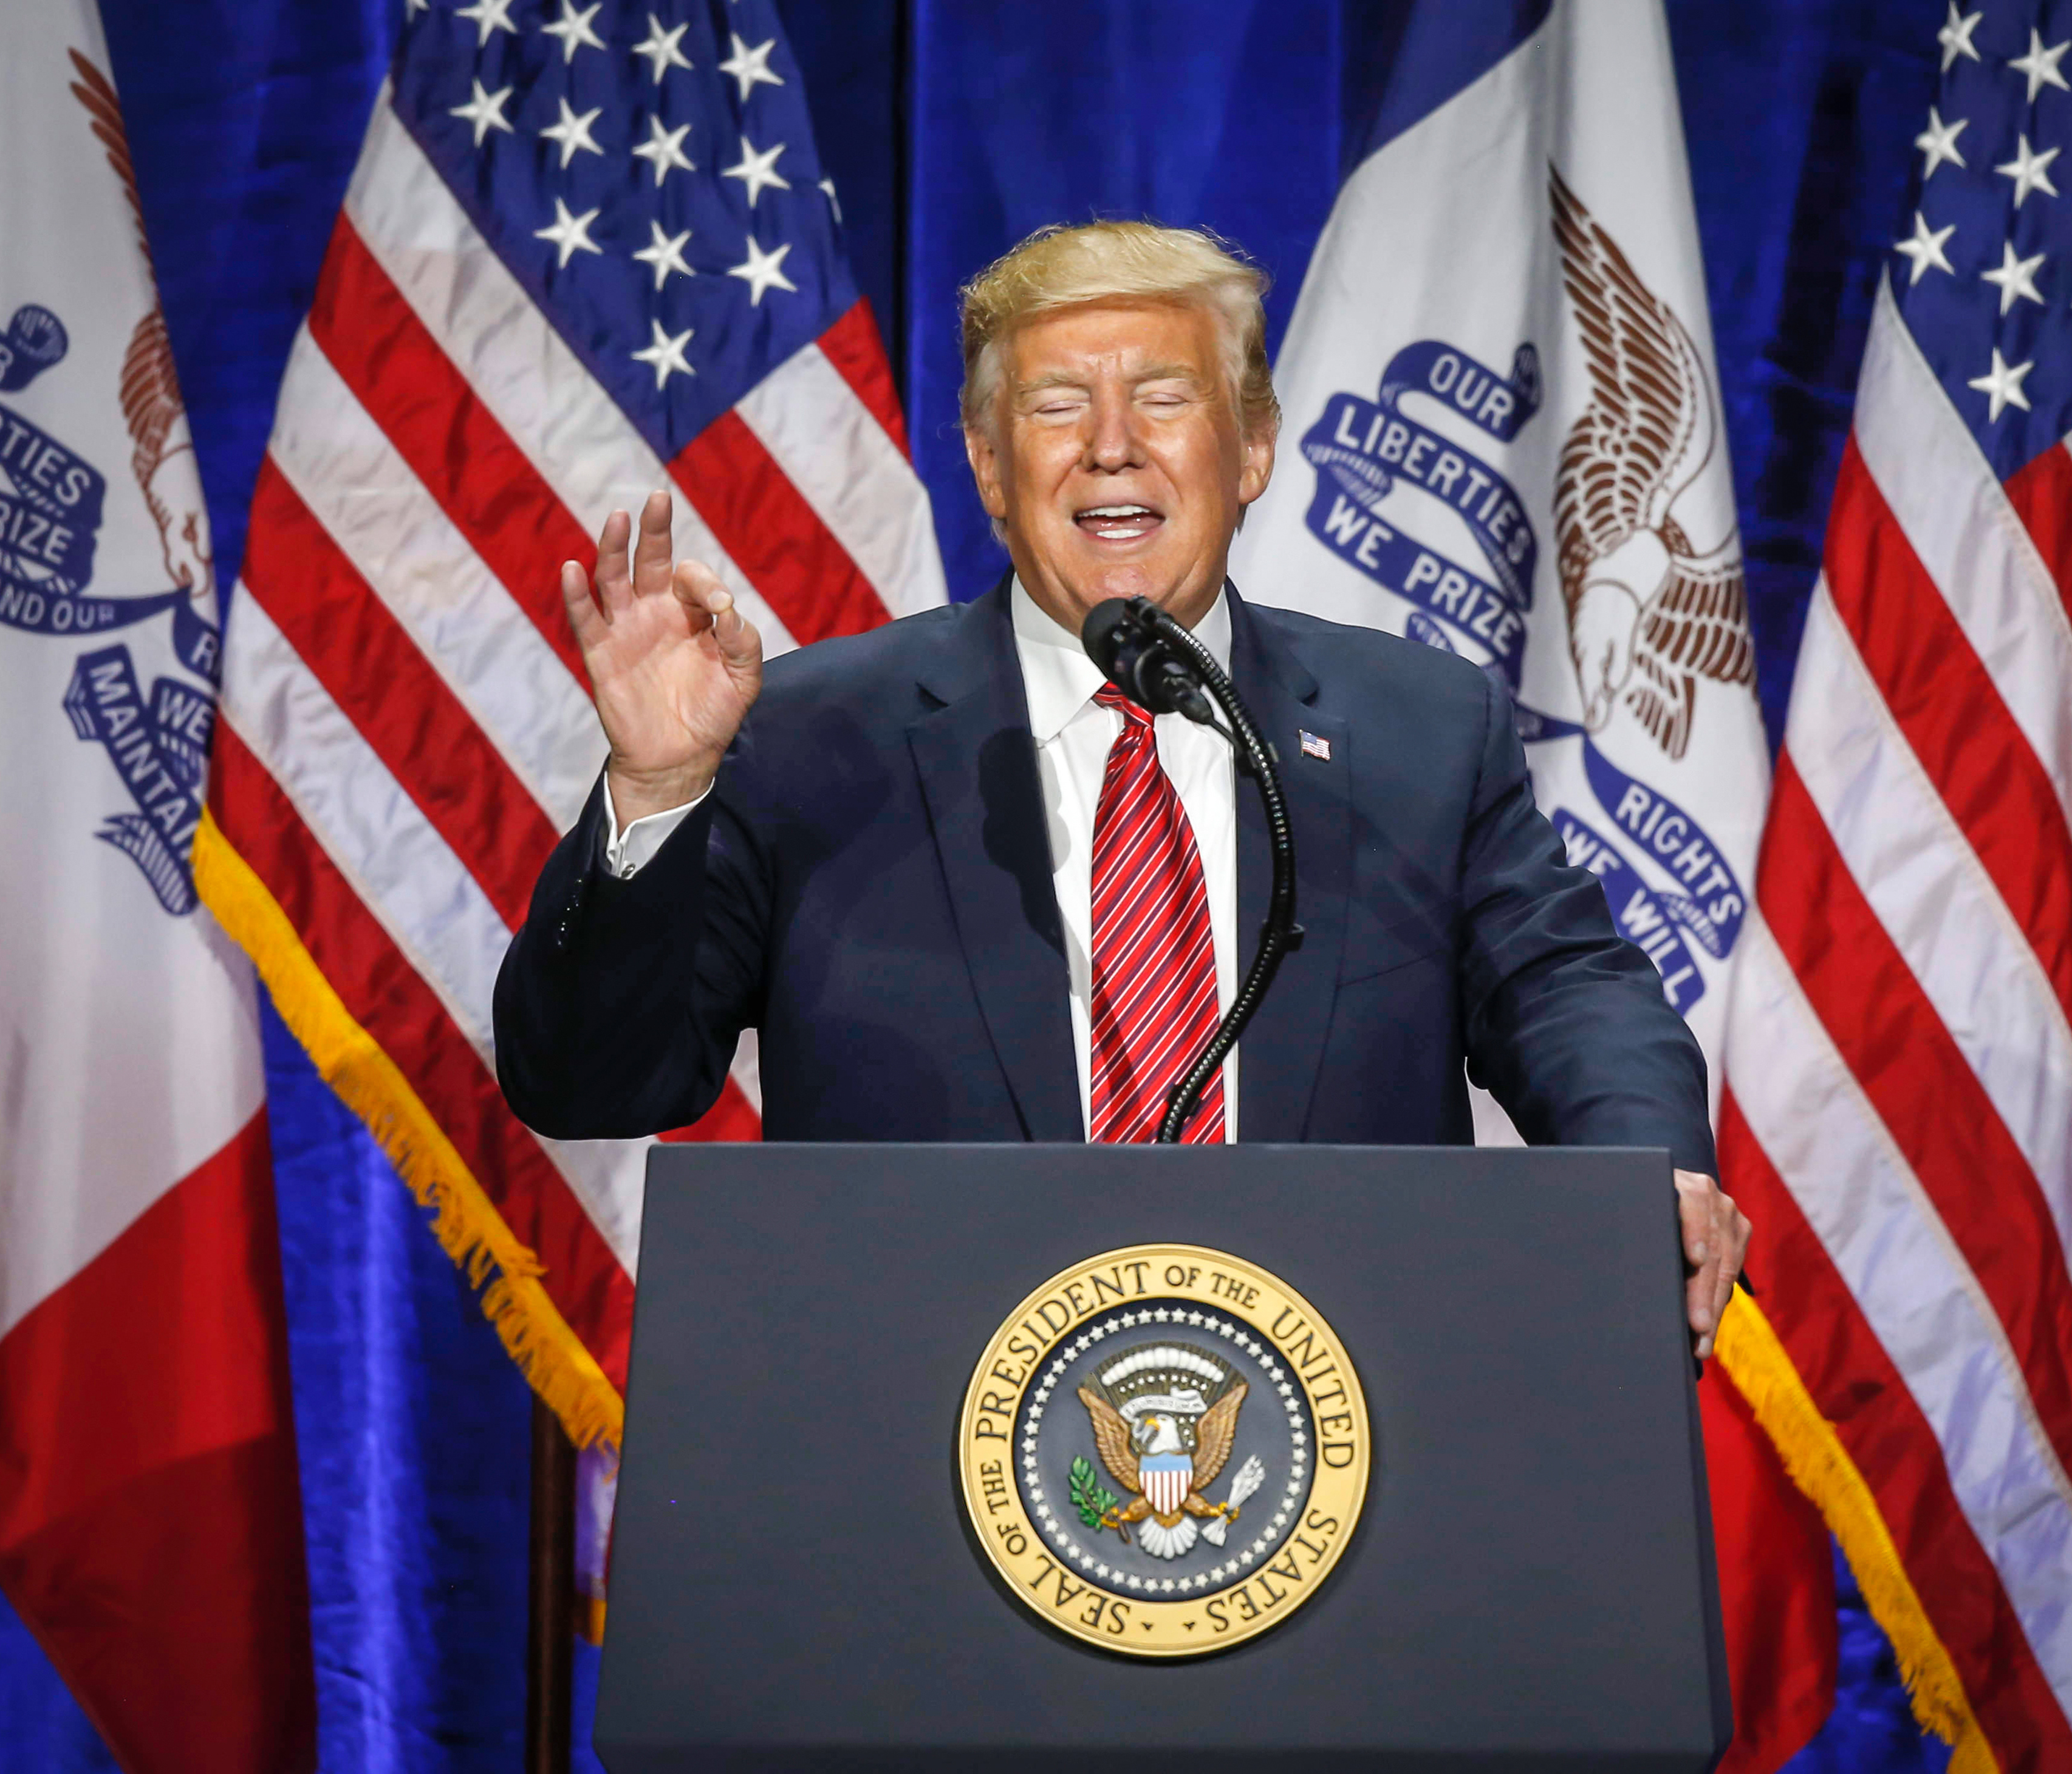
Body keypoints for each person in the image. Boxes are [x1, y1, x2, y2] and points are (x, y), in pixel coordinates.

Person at [493, 222, 1751, 1356]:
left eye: (1163, 396)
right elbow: (594, 1084)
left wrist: (1643, 1175)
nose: (1109, 444)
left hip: (1341, 1439)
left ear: (1252, 446)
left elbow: (1568, 989)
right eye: (1055, 407)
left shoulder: (1417, 729)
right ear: (989, 468)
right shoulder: (814, 737)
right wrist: (660, 782)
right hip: (917, 1456)